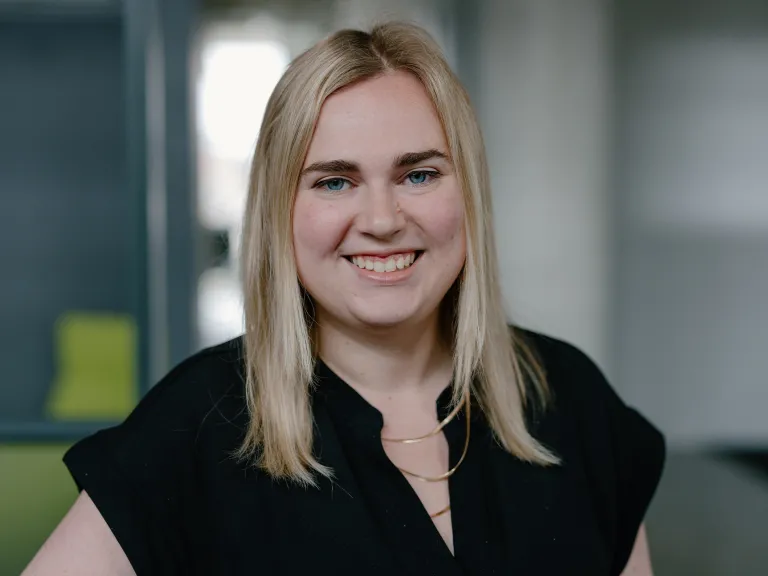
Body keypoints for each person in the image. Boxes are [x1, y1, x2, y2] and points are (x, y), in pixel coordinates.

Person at [24, 22, 665, 576]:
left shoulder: (569, 398)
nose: (382, 219)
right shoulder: (194, 425)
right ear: (280, 213)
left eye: (419, 174)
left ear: (467, 193)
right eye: (335, 182)